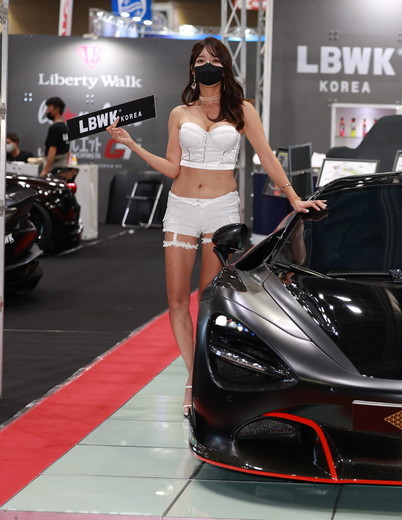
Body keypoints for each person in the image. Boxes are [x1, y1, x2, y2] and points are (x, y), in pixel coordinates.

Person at [106, 37, 327, 418]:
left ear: (225, 66)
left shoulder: (243, 110)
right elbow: (173, 168)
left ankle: (205, 375)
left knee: (208, 300)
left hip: (221, 209)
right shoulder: (179, 113)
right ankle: (194, 378)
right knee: (177, 301)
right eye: (200, 60)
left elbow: (267, 156)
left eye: (213, 59)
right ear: (192, 69)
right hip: (180, 208)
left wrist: (293, 197)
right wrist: (131, 144)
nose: (206, 65)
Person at [40, 96, 70, 177]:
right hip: (63, 167)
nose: (46, 111)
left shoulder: (54, 128)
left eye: (48, 108)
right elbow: (68, 152)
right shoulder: (65, 127)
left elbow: (52, 150)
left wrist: (45, 170)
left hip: (54, 169)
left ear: (56, 109)